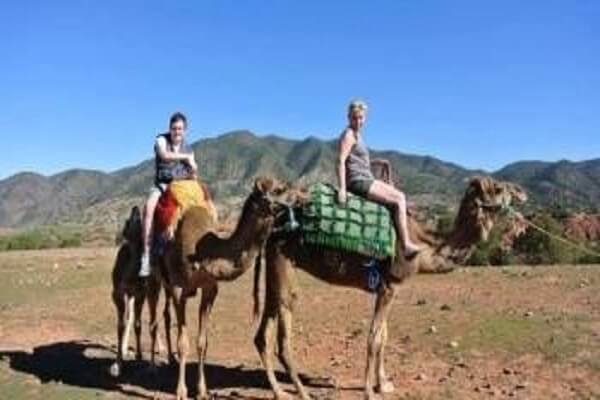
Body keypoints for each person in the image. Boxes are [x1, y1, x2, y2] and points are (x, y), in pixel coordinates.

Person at [336, 100, 422, 257]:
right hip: (359, 182)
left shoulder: (358, 135)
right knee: (399, 198)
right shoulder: (349, 135)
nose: (358, 121)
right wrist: (342, 188)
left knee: (397, 193)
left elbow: (359, 161)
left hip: (365, 177)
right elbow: (341, 160)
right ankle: (405, 244)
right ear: (349, 117)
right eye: (355, 118)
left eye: (361, 118)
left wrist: (379, 162)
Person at [139, 112, 197, 277]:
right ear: (169, 128)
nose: (176, 131)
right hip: (162, 185)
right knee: (149, 208)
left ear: (184, 130)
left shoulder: (189, 148)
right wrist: (187, 158)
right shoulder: (161, 140)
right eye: (174, 128)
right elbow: (164, 155)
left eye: (180, 128)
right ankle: (146, 255)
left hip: (181, 187)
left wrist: (193, 169)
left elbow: (193, 172)